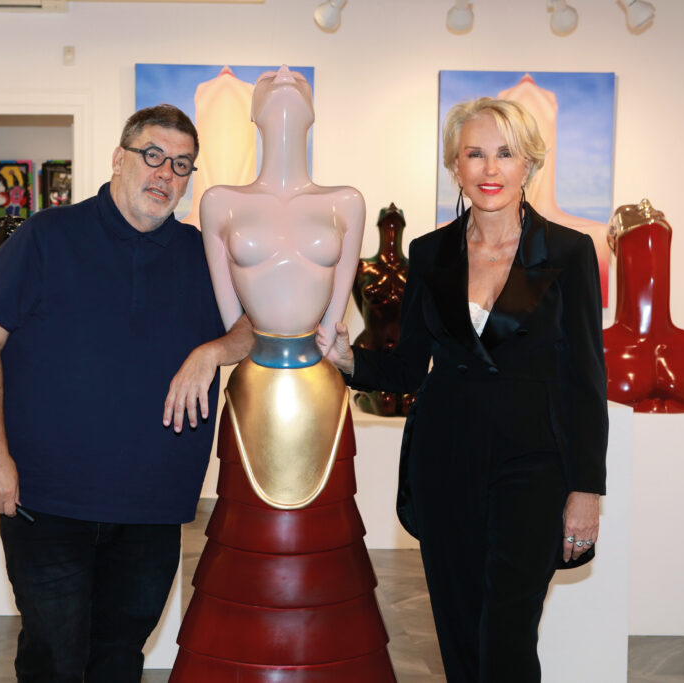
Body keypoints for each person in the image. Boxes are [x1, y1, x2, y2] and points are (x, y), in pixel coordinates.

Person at [317, 97, 608, 682]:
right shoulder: (429, 254)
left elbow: (585, 379)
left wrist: (586, 489)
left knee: (507, 634)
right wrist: (348, 359)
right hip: (444, 463)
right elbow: (407, 370)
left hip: (533, 467)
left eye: (506, 153)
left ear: (529, 164)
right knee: (458, 631)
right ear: (455, 165)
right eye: (475, 154)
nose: (490, 168)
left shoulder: (570, 252)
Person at [0, 104, 253, 683]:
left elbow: (254, 326)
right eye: (153, 155)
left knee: (119, 659)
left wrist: (211, 352)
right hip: (47, 500)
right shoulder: (47, 236)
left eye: (181, 164)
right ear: (119, 159)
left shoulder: (201, 254)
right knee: (54, 658)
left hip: (152, 506)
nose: (165, 173)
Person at [170, 66, 397, 681]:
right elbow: (232, 316)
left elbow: (336, 313)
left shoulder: (346, 202)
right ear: (252, 114)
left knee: (326, 550)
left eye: (296, 76)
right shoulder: (220, 202)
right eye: (270, 78)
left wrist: (334, 348)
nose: (285, 74)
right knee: (248, 541)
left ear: (315, 111)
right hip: (253, 384)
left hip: (321, 382)